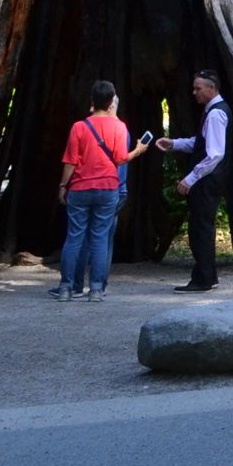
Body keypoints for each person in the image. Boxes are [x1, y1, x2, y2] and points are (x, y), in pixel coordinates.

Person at [52, 81, 153, 303]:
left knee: (74, 238)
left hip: (79, 189)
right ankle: (96, 289)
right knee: (99, 239)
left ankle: (66, 288)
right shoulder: (119, 127)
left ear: (92, 102)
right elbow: (120, 159)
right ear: (111, 103)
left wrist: (63, 186)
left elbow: (70, 162)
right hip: (108, 189)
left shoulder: (79, 127)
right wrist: (138, 149)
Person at [155, 69, 230, 292]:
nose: (194, 92)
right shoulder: (213, 111)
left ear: (211, 88)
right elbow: (201, 142)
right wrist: (175, 144)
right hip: (210, 179)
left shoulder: (216, 114)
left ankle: (203, 279)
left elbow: (215, 153)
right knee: (201, 227)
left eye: (198, 88)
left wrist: (191, 178)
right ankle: (208, 275)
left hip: (207, 181)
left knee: (200, 229)